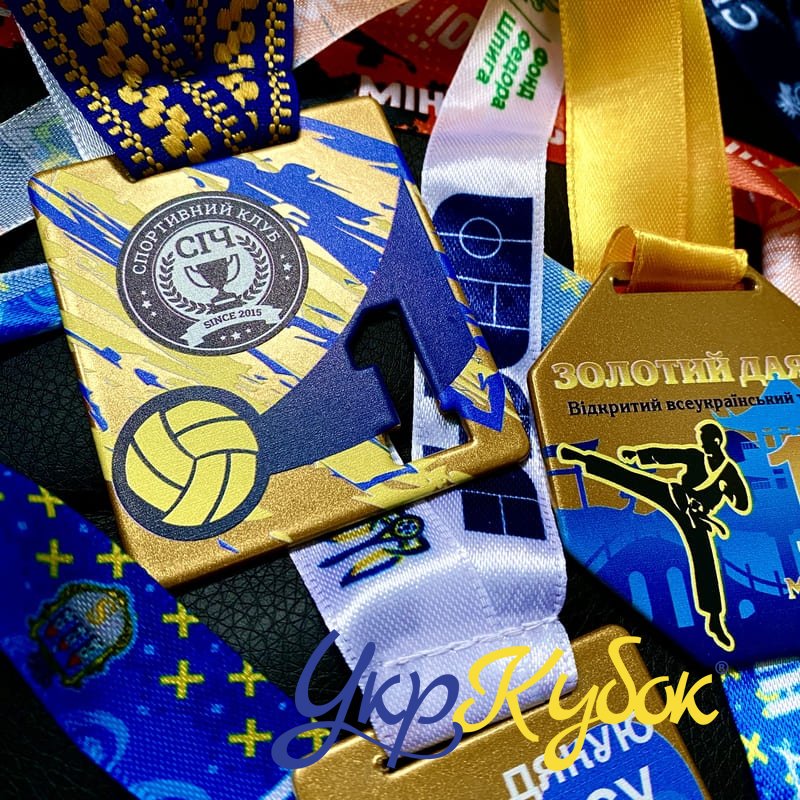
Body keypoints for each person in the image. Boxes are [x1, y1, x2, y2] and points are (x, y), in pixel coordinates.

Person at [558, 420, 752, 651]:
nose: (703, 444)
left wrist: (729, 489)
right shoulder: (695, 456)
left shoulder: (728, 471)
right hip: (675, 495)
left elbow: (742, 504)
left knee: (705, 560)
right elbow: (666, 455)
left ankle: (714, 619)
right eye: (702, 440)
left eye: (707, 440)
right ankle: (582, 458)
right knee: (632, 479)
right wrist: (637, 455)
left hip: (696, 518)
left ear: (717, 441)